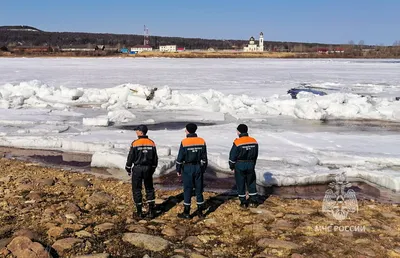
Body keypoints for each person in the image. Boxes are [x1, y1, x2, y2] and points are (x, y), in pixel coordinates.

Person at [125, 124, 158, 219]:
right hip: (148, 168)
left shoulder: (135, 143)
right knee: (149, 188)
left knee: (137, 189)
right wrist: (153, 167)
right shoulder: (151, 143)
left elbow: (131, 156)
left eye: (137, 131)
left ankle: (139, 212)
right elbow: (155, 157)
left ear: (141, 132)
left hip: (138, 168)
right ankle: (151, 211)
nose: (136, 132)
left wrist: (128, 167)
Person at [176, 123, 208, 219]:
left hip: (188, 168)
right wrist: (203, 168)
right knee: (199, 189)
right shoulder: (201, 141)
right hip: (198, 167)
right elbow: (204, 157)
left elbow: (180, 157)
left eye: (185, 130)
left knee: (188, 189)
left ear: (188, 130)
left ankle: (186, 212)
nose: (185, 131)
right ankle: (200, 212)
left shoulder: (185, 142)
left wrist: (178, 169)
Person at [229, 124, 259, 208]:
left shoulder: (237, 142)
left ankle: (243, 202)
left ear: (239, 131)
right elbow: (255, 154)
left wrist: (232, 166)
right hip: (250, 163)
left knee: (240, 183)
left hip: (240, 164)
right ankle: (254, 200)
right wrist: (253, 164)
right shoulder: (254, 141)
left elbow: (232, 156)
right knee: (251, 182)